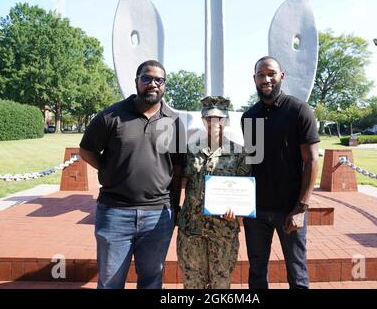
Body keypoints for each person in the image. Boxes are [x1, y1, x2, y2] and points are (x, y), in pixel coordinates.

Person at [79, 60, 185, 289]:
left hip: (158, 215)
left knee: (152, 281)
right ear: (137, 82)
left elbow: (177, 170)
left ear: (165, 85)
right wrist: (109, 169)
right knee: (110, 282)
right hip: (115, 213)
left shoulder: (174, 122)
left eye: (159, 80)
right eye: (146, 78)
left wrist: (174, 207)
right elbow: (86, 151)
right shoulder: (111, 116)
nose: (153, 84)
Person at [241, 56, 320, 289]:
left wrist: (301, 208)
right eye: (260, 75)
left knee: (297, 274)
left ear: (281, 76)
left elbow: (312, 160)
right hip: (257, 213)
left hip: (290, 210)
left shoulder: (299, 110)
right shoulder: (249, 117)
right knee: (256, 273)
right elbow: (253, 164)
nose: (266, 79)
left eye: (271, 73)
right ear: (254, 78)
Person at [176, 96, 251, 289]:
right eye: (208, 118)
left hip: (223, 232)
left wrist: (237, 210)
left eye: (219, 118)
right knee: (193, 284)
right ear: (203, 120)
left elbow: (245, 190)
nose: (214, 123)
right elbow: (178, 180)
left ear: (226, 120)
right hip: (192, 231)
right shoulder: (190, 150)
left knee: (221, 283)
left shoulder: (239, 153)